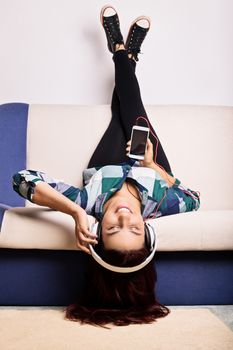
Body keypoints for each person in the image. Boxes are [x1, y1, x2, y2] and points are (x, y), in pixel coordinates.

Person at [12, 5, 200, 328]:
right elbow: (193, 198)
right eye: (135, 228)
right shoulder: (159, 205)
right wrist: (154, 165)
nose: (125, 216)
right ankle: (126, 56)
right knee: (135, 114)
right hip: (150, 166)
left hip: (106, 166)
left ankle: (121, 51)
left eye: (113, 227)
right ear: (147, 229)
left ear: (99, 230)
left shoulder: (87, 204)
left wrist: (73, 213)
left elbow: (22, 180)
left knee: (121, 117)